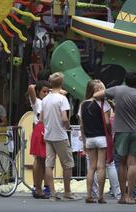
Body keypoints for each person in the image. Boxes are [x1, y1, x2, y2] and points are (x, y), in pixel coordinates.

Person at [93, 71, 136, 205]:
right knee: (132, 163)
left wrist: (110, 102)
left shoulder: (117, 90)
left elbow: (96, 95)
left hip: (121, 131)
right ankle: (130, 196)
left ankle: (122, 196)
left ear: (125, 80)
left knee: (121, 163)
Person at [40, 72, 81, 201]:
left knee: (49, 164)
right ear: (62, 84)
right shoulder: (62, 99)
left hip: (48, 135)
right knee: (68, 164)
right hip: (60, 135)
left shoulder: (45, 99)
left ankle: (52, 193)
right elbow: (64, 118)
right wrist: (68, 126)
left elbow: (41, 118)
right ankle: (67, 192)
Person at [79, 80, 111, 203]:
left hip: (89, 138)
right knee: (101, 166)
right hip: (101, 137)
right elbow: (108, 122)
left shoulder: (83, 104)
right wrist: (109, 131)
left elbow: (81, 125)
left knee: (91, 167)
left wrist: (84, 140)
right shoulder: (104, 104)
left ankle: (88, 195)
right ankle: (100, 196)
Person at [28, 80, 50, 199]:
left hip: (48, 129)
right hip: (39, 129)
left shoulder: (50, 101)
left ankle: (43, 187)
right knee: (39, 159)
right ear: (39, 92)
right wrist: (40, 85)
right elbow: (31, 87)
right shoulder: (37, 102)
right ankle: (37, 187)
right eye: (44, 91)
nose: (46, 93)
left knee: (46, 160)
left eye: (48, 91)